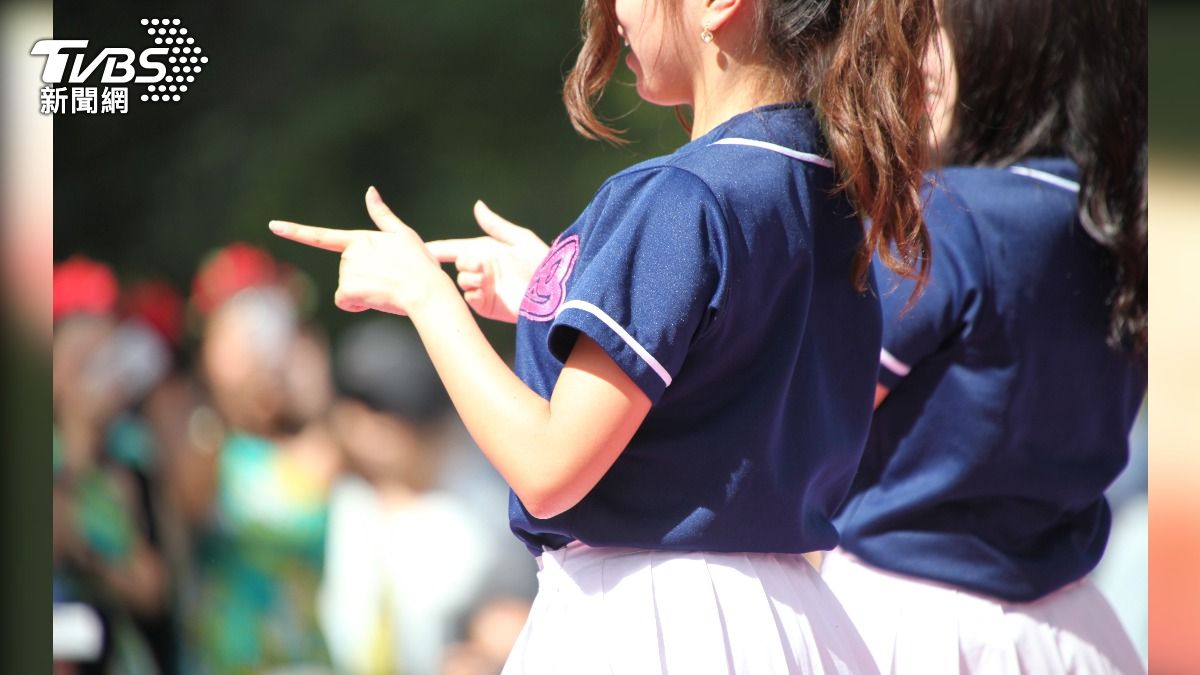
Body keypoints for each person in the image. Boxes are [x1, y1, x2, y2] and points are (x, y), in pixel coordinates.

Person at [271, 0, 937, 671]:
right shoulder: (834, 194)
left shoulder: (682, 195)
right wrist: (554, 295)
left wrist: (425, 294)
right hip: (795, 622)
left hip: (652, 623)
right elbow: (716, 369)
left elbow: (548, 468)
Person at [822, 0, 1147, 672]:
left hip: (901, 624)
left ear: (1018, 43)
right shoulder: (1117, 232)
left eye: (932, 26)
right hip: (1074, 633)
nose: (910, 57)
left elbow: (803, 421)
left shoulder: (949, 222)